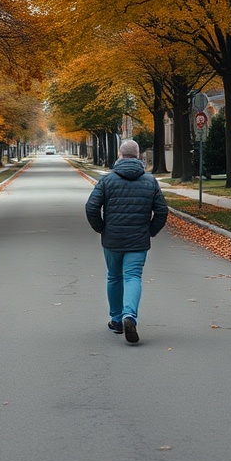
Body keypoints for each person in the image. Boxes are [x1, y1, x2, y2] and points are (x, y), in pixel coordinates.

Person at [85, 139, 168, 344]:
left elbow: (91, 207)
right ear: (139, 156)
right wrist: (150, 230)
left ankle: (116, 320)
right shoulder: (150, 181)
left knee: (114, 277)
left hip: (112, 239)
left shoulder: (107, 180)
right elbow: (162, 210)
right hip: (138, 240)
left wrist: (102, 228)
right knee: (132, 277)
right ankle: (129, 315)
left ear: (120, 155)